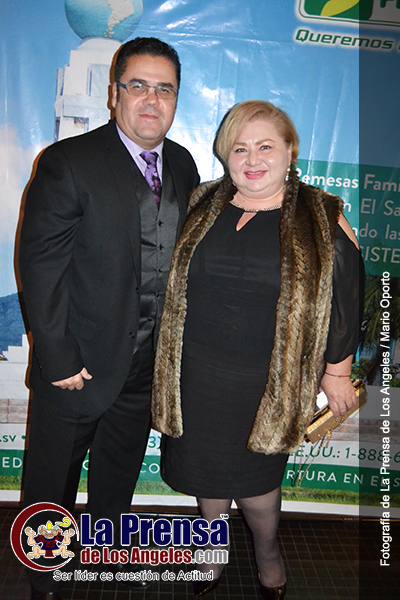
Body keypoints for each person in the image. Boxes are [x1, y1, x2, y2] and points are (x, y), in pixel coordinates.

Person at [151, 100, 363, 599]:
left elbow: (348, 297)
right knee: (207, 474)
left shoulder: (321, 215)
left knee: (257, 484)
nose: (252, 159)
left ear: (290, 151)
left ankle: (268, 554)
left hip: (267, 379)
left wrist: (337, 371)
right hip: (196, 372)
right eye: (240, 148)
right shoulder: (203, 202)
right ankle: (213, 549)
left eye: (265, 146)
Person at [19, 37, 199, 600]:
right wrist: (57, 358)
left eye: (165, 89)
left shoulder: (183, 164)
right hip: (75, 367)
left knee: (117, 479)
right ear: (114, 94)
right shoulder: (68, 162)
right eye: (137, 85)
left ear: (176, 99)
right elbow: (40, 266)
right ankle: (43, 578)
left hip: (141, 368)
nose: (152, 99)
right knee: (52, 480)